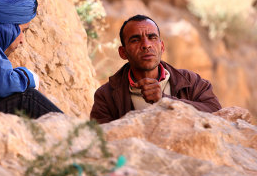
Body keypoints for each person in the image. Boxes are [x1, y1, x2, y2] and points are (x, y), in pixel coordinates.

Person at [90, 14, 221, 124]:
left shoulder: (191, 81)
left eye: (152, 38)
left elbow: (217, 112)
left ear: (162, 46)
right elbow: (101, 141)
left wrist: (166, 101)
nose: (146, 45)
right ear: (123, 52)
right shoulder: (106, 96)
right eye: (135, 40)